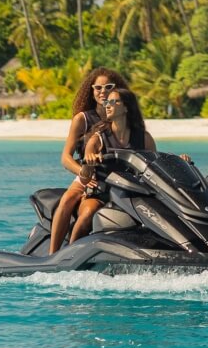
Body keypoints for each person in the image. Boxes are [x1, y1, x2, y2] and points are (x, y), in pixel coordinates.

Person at [45, 68, 131, 254]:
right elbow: (66, 158)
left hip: (117, 178)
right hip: (88, 174)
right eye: (97, 87)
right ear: (91, 91)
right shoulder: (82, 119)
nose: (103, 91)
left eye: (108, 87)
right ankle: (53, 255)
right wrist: (83, 174)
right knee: (67, 200)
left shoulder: (123, 116)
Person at [66, 86, 157, 246]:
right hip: (101, 194)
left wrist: (180, 160)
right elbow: (85, 179)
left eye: (113, 102)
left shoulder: (144, 138)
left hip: (132, 194)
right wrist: (89, 163)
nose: (107, 105)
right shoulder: (97, 138)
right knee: (88, 214)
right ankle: (68, 254)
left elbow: (155, 167)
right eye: (106, 102)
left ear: (126, 107)